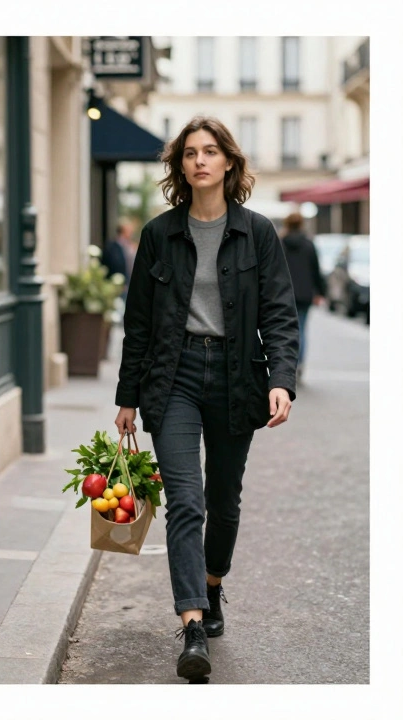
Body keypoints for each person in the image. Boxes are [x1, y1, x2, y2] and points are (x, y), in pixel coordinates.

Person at [113, 116, 299, 682]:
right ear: (181, 167)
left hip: (238, 377)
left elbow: (279, 314)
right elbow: (138, 322)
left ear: (228, 164)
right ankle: (192, 623)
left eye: (210, 151)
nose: (199, 160)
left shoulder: (257, 233)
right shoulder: (158, 235)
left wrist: (281, 379)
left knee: (225, 502)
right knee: (185, 501)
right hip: (174, 377)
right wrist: (127, 396)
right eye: (190, 152)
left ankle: (213, 585)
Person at [279, 212, 327, 381]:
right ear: (301, 224)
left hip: (284, 293)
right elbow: (316, 270)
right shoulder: (308, 244)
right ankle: (299, 365)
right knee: (301, 329)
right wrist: (320, 292)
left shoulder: (280, 243)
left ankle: (287, 365)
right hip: (305, 294)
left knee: (285, 330)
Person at [101, 220, 137, 289]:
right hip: (117, 286)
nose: (132, 233)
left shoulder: (131, 246)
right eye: (130, 231)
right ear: (124, 231)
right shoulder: (112, 247)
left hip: (129, 284)